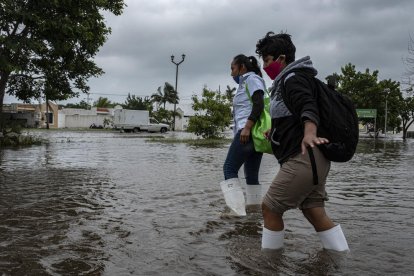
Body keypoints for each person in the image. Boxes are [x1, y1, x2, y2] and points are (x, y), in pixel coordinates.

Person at [255, 32, 349, 251]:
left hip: (305, 157)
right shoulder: (290, 80)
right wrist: (276, 130)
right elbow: (295, 110)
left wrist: (309, 131)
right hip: (315, 159)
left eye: (267, 60)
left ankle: (269, 265)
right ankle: (341, 259)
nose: (266, 67)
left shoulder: (292, 78)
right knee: (314, 211)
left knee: (270, 207)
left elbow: (308, 106)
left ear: (281, 59)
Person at [220, 54, 267, 216]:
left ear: (242, 67)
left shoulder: (251, 80)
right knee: (251, 175)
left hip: (247, 133)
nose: (231, 73)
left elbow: (259, 103)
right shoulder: (246, 83)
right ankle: (254, 211)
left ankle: (236, 212)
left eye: (233, 68)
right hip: (254, 134)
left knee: (229, 169)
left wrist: (247, 128)